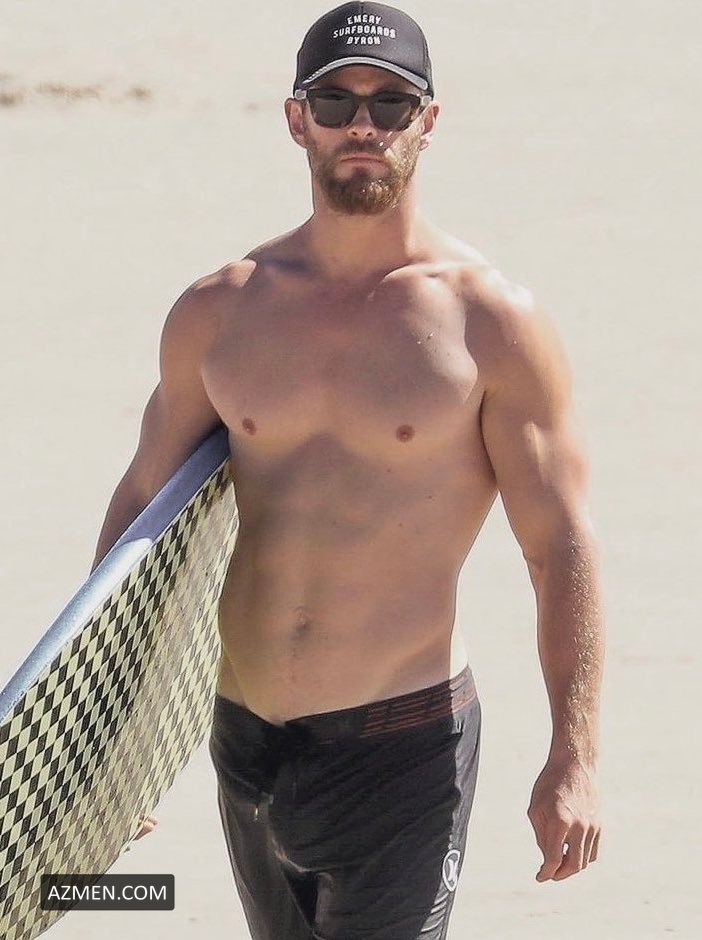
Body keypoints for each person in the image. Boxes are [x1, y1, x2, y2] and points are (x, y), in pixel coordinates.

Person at [91, 3, 605, 937]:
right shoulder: (221, 310)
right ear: (299, 121)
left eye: (390, 104)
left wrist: (575, 754)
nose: (363, 125)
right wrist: (113, 734)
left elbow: (558, 541)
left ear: (428, 121)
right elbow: (142, 518)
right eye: (336, 102)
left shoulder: (489, 323)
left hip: (401, 747)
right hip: (242, 740)